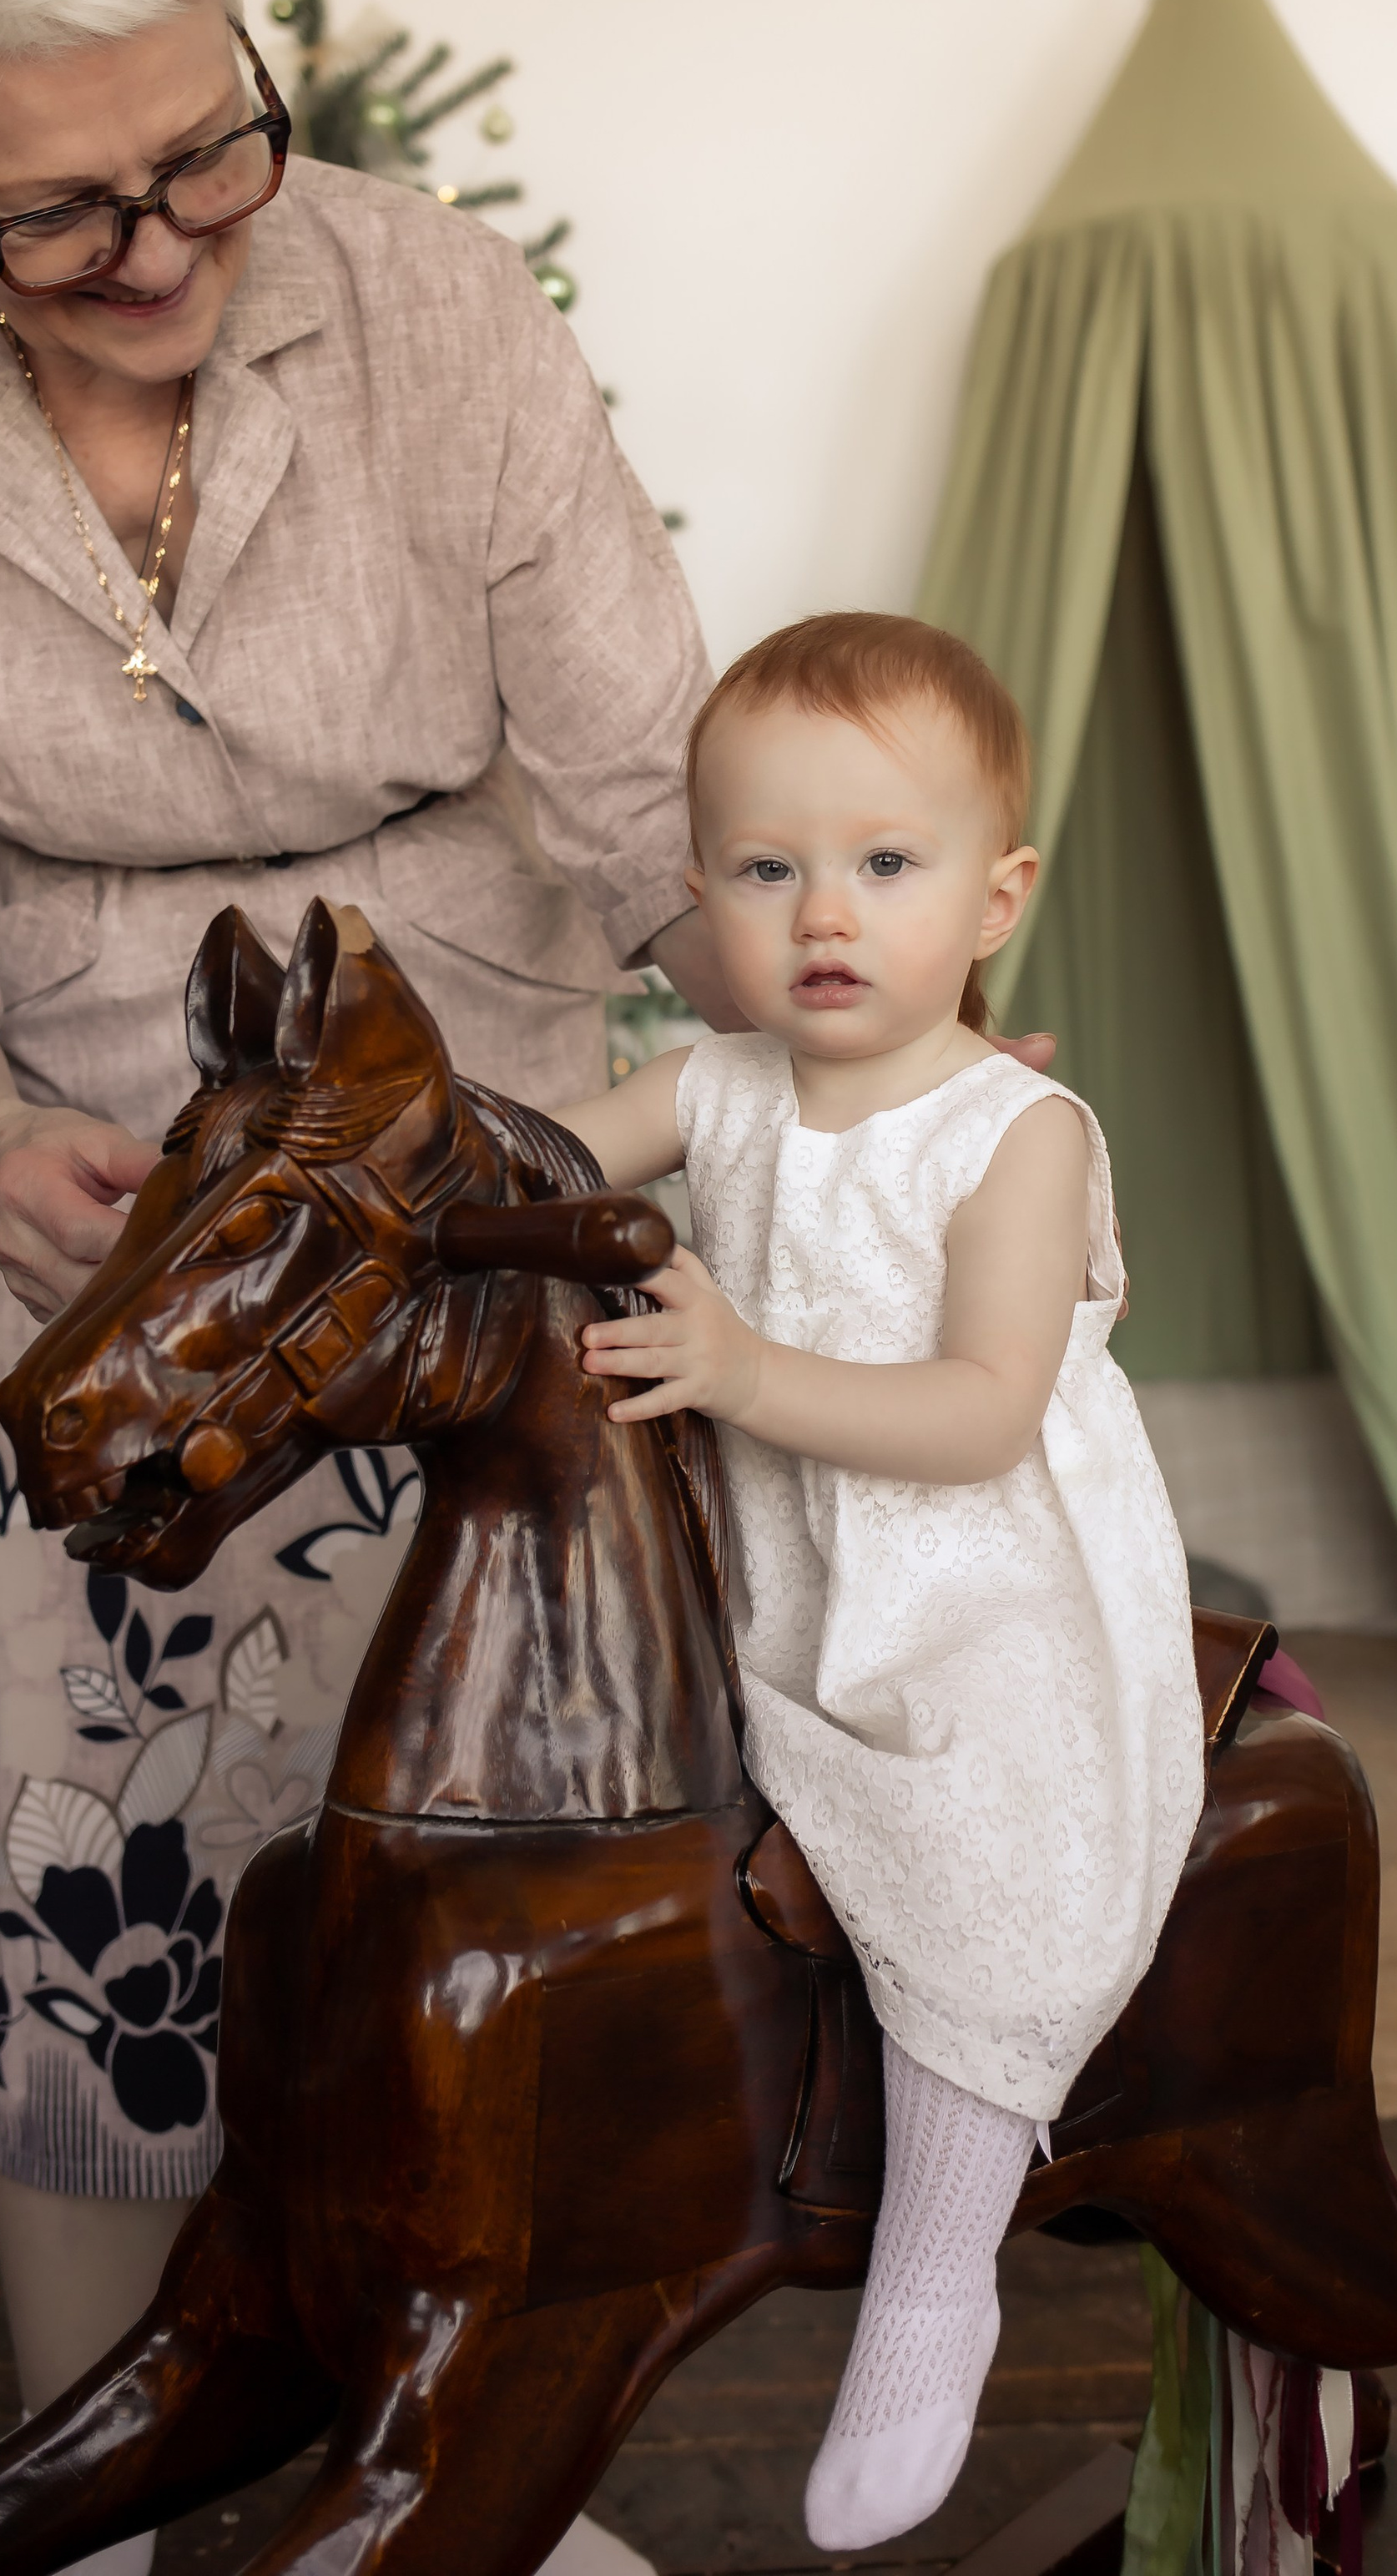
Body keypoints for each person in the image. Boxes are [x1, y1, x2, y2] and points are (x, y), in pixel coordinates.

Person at [0, 0, 739, 2502]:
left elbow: (664, 800)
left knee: (509, 1868)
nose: (169, 242)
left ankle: (483, 2455)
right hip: (92, 1192)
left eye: (210, 147)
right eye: (56, 211)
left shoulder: (436, 313)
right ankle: (108, 2443)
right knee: (102, 1884)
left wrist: (873, 1017)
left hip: (478, 1138)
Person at [560, 612, 1203, 2552]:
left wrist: (740, 1371)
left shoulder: (1010, 1132)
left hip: (975, 1594)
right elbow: (515, 1172)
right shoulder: (719, 1082)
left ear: (995, 893)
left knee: (969, 1849)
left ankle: (934, 2284)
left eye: (884, 864)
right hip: (774, 1574)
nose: (820, 913)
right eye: (765, 871)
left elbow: (984, 1410)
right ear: (700, 897)